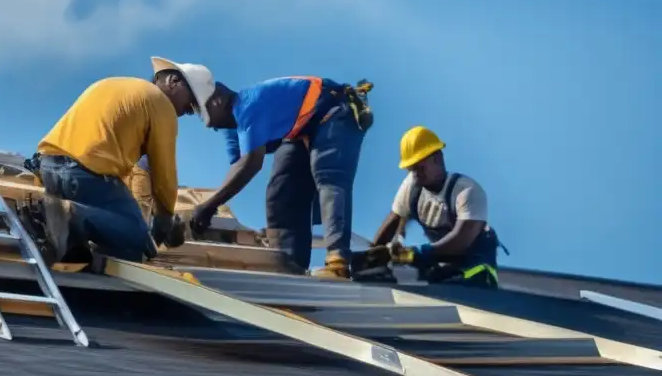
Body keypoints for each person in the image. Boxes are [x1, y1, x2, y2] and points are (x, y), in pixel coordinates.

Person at [34, 57, 216, 271]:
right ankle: (69, 216)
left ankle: (74, 251)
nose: (188, 111)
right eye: (191, 101)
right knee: (136, 237)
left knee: (112, 236)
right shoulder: (160, 104)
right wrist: (165, 216)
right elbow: (163, 172)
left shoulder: (114, 85)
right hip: (83, 175)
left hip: (48, 168)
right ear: (173, 81)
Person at [191, 76, 373, 279]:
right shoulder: (232, 125)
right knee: (281, 192)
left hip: (334, 110)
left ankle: (337, 261)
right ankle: (289, 265)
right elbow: (238, 166)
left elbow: (250, 163)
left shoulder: (248, 106)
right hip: (301, 131)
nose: (208, 126)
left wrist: (208, 206)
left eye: (203, 113)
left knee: (328, 176)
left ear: (217, 101)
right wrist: (209, 205)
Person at [367, 126, 504, 289]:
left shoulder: (467, 191)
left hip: (475, 273)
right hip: (445, 268)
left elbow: (462, 240)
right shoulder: (412, 187)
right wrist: (371, 257)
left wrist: (418, 253)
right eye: (411, 169)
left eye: (420, 167)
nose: (416, 174)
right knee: (433, 282)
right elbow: (395, 220)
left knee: (465, 284)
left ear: (438, 158)